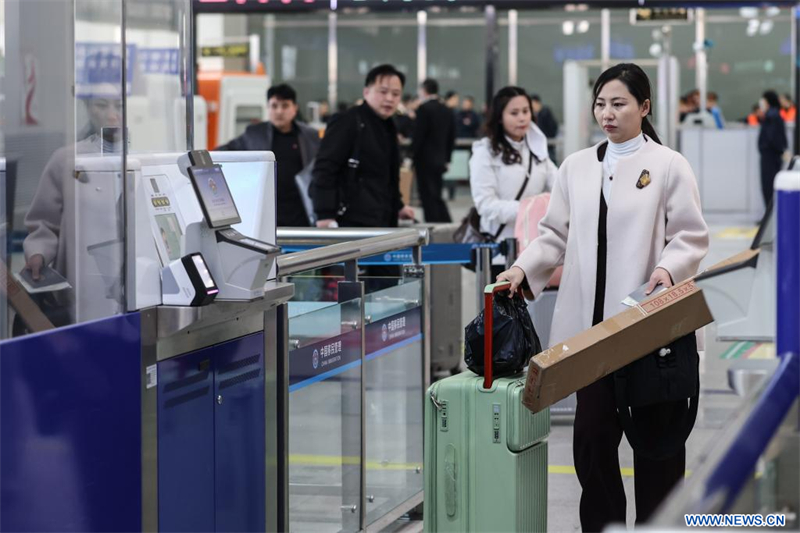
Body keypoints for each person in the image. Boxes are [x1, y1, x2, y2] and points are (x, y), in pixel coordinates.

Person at [498, 63, 709, 531]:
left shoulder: (669, 165)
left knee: (656, 448)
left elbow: (690, 236)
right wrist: (521, 269)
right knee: (592, 440)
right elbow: (553, 235)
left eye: (618, 103)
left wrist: (667, 268)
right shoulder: (576, 167)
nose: (607, 114)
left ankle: (657, 525)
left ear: (644, 107)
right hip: (590, 340)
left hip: (649, 333)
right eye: (600, 104)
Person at [310, 64, 414, 228]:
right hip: (351, 220)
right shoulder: (348, 121)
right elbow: (325, 169)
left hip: (381, 218)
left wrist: (399, 206)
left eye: (395, 94)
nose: (389, 98)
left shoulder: (389, 126)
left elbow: (389, 176)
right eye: (383, 92)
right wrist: (324, 214)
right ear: (366, 92)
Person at [469, 86, 557, 277]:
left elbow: (559, 186)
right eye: (514, 113)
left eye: (526, 111)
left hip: (534, 252)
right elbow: (485, 204)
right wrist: (529, 210)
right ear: (500, 117)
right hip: (499, 253)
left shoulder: (537, 149)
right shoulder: (485, 152)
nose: (522, 118)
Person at [216, 83, 320, 227]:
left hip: (301, 209)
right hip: (267, 208)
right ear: (268, 107)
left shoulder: (310, 136)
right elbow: (225, 151)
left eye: (285, 106)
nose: (279, 111)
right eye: (274, 106)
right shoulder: (255, 134)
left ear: (295, 108)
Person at [412, 78, 456, 223]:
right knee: (436, 192)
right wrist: (447, 158)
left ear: (424, 90)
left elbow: (419, 136)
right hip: (440, 158)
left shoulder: (423, 109)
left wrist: (413, 156)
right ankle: (444, 221)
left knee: (427, 194)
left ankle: (433, 222)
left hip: (424, 159)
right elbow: (451, 136)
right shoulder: (446, 109)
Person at [758, 90, 788, 207]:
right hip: (772, 155)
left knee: (768, 185)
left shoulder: (772, 115)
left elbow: (773, 137)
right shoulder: (774, 114)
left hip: (770, 155)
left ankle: (770, 212)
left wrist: (781, 150)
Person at [531, 94, 559, 163]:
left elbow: (553, 127)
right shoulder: (536, 114)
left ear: (537, 102)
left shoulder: (545, 112)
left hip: (548, 144)